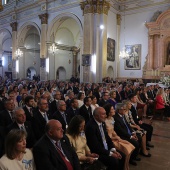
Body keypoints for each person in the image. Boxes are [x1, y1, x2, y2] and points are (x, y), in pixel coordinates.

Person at [103, 103, 135, 170]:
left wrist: (118, 137)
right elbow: (107, 136)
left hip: (115, 138)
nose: (114, 110)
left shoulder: (111, 119)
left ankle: (126, 166)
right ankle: (124, 168)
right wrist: (116, 138)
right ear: (108, 112)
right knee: (127, 150)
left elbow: (113, 131)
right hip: (111, 140)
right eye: (112, 109)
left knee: (130, 146)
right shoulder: (105, 122)